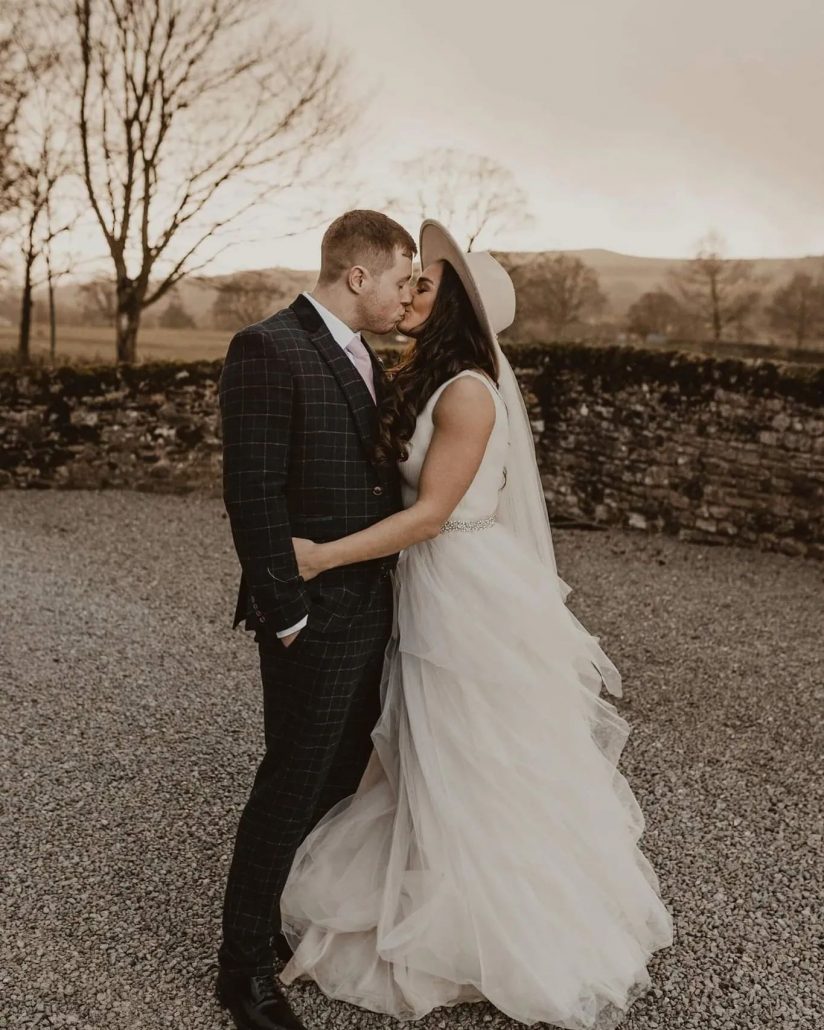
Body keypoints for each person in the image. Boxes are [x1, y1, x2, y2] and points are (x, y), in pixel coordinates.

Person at [278, 221, 674, 1028]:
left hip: (462, 584)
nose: (408, 294)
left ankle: (497, 928)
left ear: (455, 306)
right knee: (425, 746)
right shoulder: (430, 379)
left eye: (424, 286)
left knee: (470, 748)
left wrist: (321, 557)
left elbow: (430, 515)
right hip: (432, 580)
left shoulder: (467, 392)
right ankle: (431, 892)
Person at [216, 210, 416, 1030]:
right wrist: (287, 615)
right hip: (314, 615)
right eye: (401, 280)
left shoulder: (366, 354)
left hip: (373, 606)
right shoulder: (267, 348)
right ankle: (241, 970)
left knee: (339, 778)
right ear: (357, 275)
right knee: (290, 782)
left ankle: (281, 914)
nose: (408, 296)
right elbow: (252, 492)